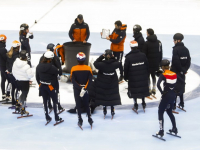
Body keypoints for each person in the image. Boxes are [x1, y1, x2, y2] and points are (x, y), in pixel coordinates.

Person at [156, 59, 184, 137]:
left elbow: (158, 85)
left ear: (162, 67)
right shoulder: (174, 74)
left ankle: (161, 131)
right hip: (173, 96)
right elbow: (182, 82)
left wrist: (162, 92)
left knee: (160, 112)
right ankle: (174, 128)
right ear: (169, 66)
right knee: (169, 112)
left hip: (165, 96)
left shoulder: (163, 75)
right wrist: (177, 91)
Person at [36, 51, 63, 124]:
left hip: (42, 86)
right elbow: (59, 74)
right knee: (55, 102)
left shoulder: (38, 66)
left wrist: (40, 84)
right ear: (51, 59)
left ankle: (47, 117)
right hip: (51, 87)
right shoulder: (52, 68)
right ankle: (57, 117)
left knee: (45, 101)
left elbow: (37, 77)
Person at [93, 50, 121, 119]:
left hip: (103, 82)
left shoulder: (101, 64)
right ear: (112, 56)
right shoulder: (114, 64)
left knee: (103, 95)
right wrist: (113, 58)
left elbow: (95, 63)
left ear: (104, 56)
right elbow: (119, 63)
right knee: (112, 94)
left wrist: (101, 57)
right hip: (112, 82)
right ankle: (112, 108)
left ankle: (104, 107)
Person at [124, 41, 149, 112]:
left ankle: (135, 104)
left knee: (134, 90)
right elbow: (147, 66)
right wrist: (146, 75)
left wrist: (125, 77)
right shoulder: (143, 55)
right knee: (142, 89)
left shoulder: (128, 57)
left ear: (130, 47)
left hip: (133, 78)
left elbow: (126, 68)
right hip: (143, 76)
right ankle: (143, 102)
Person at [39, 43, 64, 113]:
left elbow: (39, 69)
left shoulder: (42, 57)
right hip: (53, 80)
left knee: (47, 94)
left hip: (44, 80)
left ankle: (49, 105)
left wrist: (39, 81)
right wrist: (59, 73)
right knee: (56, 92)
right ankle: (58, 105)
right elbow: (59, 68)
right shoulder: (55, 58)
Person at [70, 52, 93, 129]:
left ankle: (80, 119)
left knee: (78, 104)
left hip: (77, 89)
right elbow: (90, 80)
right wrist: (85, 88)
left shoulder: (73, 68)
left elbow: (72, 80)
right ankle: (90, 118)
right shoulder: (88, 68)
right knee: (87, 104)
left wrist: (79, 88)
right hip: (85, 89)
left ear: (77, 60)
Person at [171, 33, 191, 109]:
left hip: (176, 72)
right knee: (181, 86)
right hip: (182, 72)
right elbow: (188, 61)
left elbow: (176, 62)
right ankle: (182, 102)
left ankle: (173, 105)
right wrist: (184, 70)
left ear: (178, 40)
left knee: (174, 87)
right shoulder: (186, 49)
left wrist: (180, 70)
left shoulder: (175, 49)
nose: (173, 41)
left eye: (174, 40)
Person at [12, 50, 34, 115]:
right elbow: (30, 75)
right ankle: (23, 109)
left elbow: (13, 72)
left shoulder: (15, 63)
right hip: (25, 82)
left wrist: (17, 77)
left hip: (17, 81)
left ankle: (17, 106)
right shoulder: (26, 66)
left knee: (18, 93)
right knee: (24, 95)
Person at [142, 28, 162, 97]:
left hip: (148, 63)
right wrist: (159, 62)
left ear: (148, 33)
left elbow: (144, 54)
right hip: (156, 62)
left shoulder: (146, 43)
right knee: (153, 75)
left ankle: (149, 89)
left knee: (148, 76)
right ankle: (154, 88)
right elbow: (160, 53)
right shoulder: (159, 42)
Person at [6, 40, 21, 106]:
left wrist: (8, 70)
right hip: (14, 73)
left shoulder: (9, 53)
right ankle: (17, 101)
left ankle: (13, 101)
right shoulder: (17, 55)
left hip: (9, 73)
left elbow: (7, 63)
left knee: (13, 87)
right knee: (17, 87)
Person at [0, 34, 11, 101]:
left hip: (1, 66)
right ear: (3, 41)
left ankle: (3, 94)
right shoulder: (3, 49)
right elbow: (6, 58)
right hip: (4, 66)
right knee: (9, 80)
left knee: (3, 79)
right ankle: (7, 94)